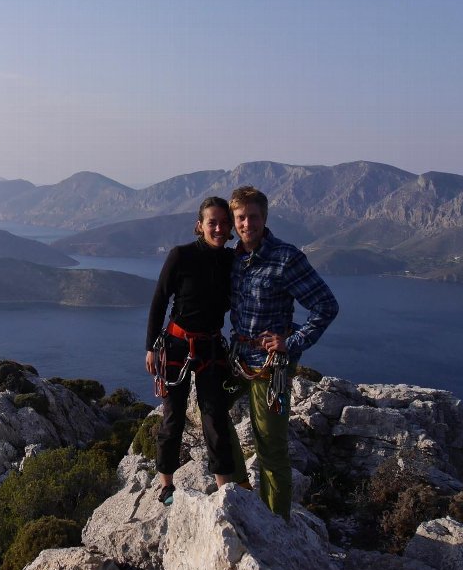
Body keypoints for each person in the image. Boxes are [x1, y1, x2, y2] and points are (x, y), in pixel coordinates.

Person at [227, 185, 339, 519]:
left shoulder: (286, 258)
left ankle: (276, 522)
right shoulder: (233, 259)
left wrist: (291, 342)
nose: (248, 224)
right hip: (237, 358)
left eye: (254, 217)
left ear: (265, 218)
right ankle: (241, 490)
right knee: (212, 411)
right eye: (241, 218)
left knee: (269, 444)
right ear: (234, 222)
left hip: (272, 366)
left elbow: (325, 305)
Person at [145, 196, 239, 505]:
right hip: (176, 346)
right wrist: (150, 348)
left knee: (215, 417)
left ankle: (225, 489)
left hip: (210, 346)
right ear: (199, 226)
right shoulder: (180, 256)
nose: (220, 228)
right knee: (173, 418)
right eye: (213, 222)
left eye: (225, 223)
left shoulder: (230, 260)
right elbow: (160, 300)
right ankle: (166, 484)